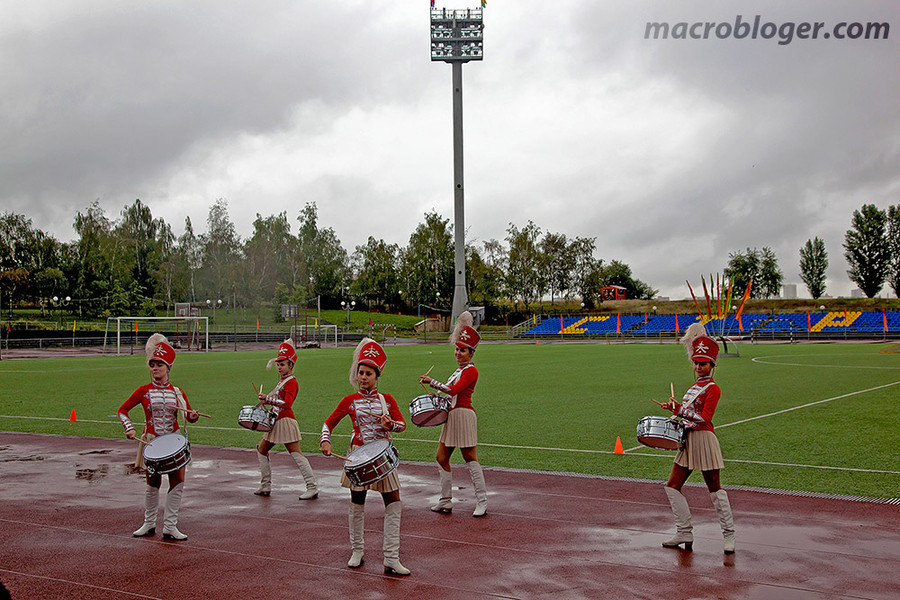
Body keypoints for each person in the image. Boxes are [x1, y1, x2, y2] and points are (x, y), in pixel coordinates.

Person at [319, 338, 410, 575]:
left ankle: (391, 556)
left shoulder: (387, 400)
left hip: (383, 458)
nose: (363, 377)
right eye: (360, 372)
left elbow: (402, 425)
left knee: (393, 501)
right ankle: (357, 551)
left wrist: (390, 424)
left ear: (377, 376)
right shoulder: (349, 401)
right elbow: (328, 424)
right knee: (357, 501)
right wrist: (325, 441)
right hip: (357, 458)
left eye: (368, 373)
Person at [655, 323, 736, 554]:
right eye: (696, 363)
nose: (699, 366)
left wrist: (680, 409)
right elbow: (688, 416)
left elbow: (704, 418)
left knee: (715, 489)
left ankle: (729, 534)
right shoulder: (692, 388)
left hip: (705, 440)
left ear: (712, 365)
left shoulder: (713, 389)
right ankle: (684, 531)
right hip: (688, 441)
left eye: (704, 363)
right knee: (672, 486)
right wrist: (674, 410)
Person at [118, 333, 199, 541]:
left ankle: (170, 526)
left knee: (178, 482)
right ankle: (149, 523)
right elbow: (122, 410)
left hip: (174, 441)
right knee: (152, 483)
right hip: (152, 441)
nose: (155, 368)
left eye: (159, 365)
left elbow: (189, 417)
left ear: (168, 368)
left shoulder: (178, 392)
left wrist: (193, 416)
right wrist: (129, 428)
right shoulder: (143, 391)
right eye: (152, 365)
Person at [419, 310, 488, 517]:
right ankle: (446, 500)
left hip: (464, 415)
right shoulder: (458, 370)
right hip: (451, 416)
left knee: (469, 457)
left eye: (463, 350)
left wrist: (434, 382)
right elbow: (448, 393)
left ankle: (482, 500)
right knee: (441, 457)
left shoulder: (471, 371)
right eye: (457, 349)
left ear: (471, 353)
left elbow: (455, 390)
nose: (458, 353)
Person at [254, 339, 318, 500]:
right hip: (275, 421)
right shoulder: (282, 381)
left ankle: (312, 486)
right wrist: (265, 400)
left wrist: (268, 400)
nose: (279, 367)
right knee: (262, 450)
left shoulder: (292, 382)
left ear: (290, 365)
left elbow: (287, 404)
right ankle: (265, 485)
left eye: (282, 364)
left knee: (296, 453)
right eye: (278, 364)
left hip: (285, 421)